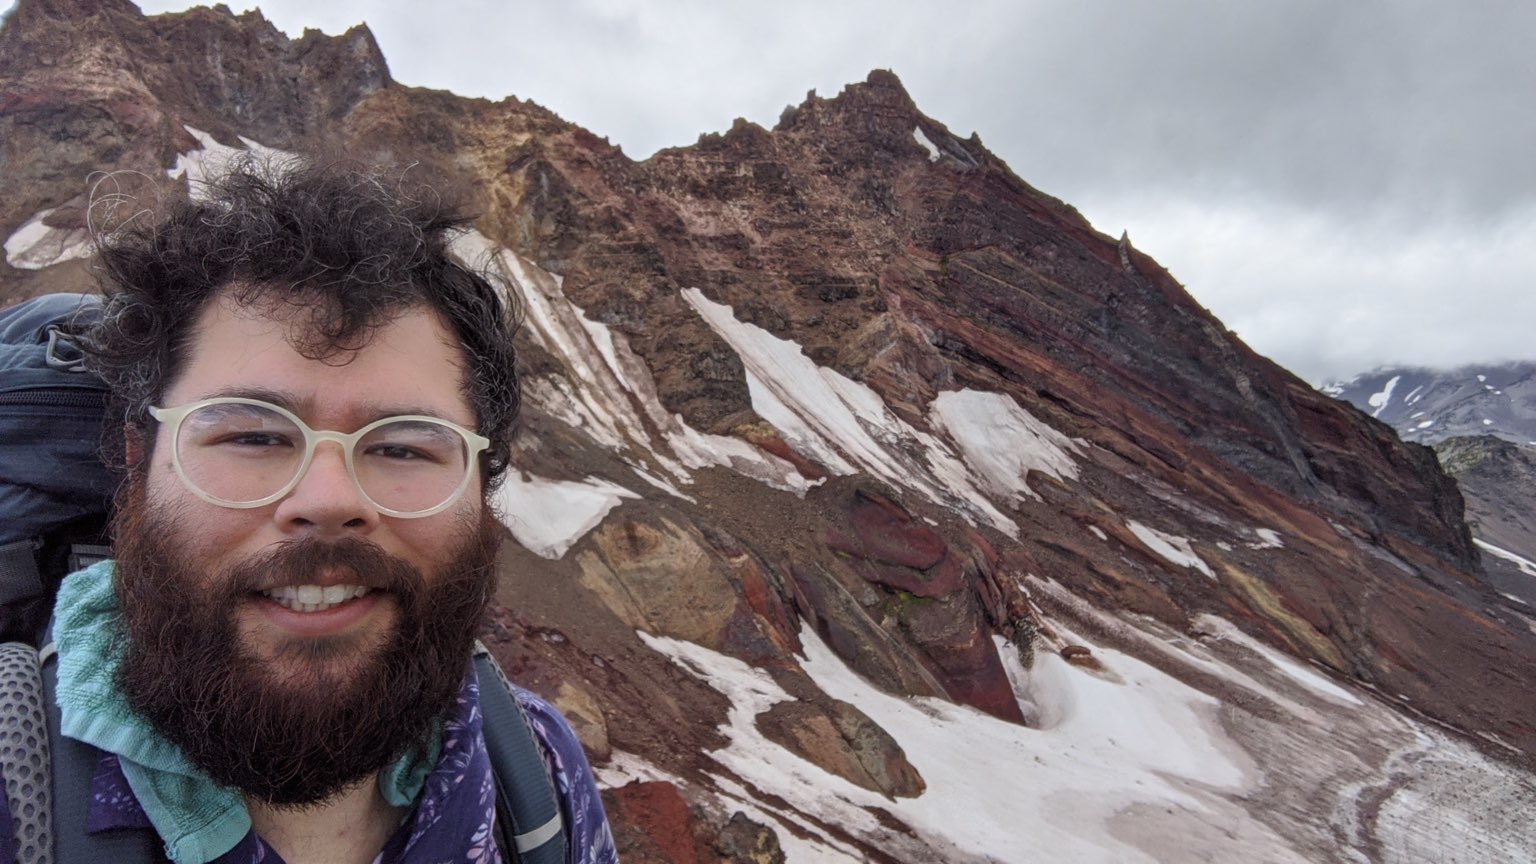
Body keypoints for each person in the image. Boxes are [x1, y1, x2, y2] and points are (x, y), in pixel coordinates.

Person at [12, 159, 617, 864]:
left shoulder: (537, 773)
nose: (329, 500)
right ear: (137, 459)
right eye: (253, 436)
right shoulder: (13, 772)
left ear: (482, 486)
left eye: (403, 447)